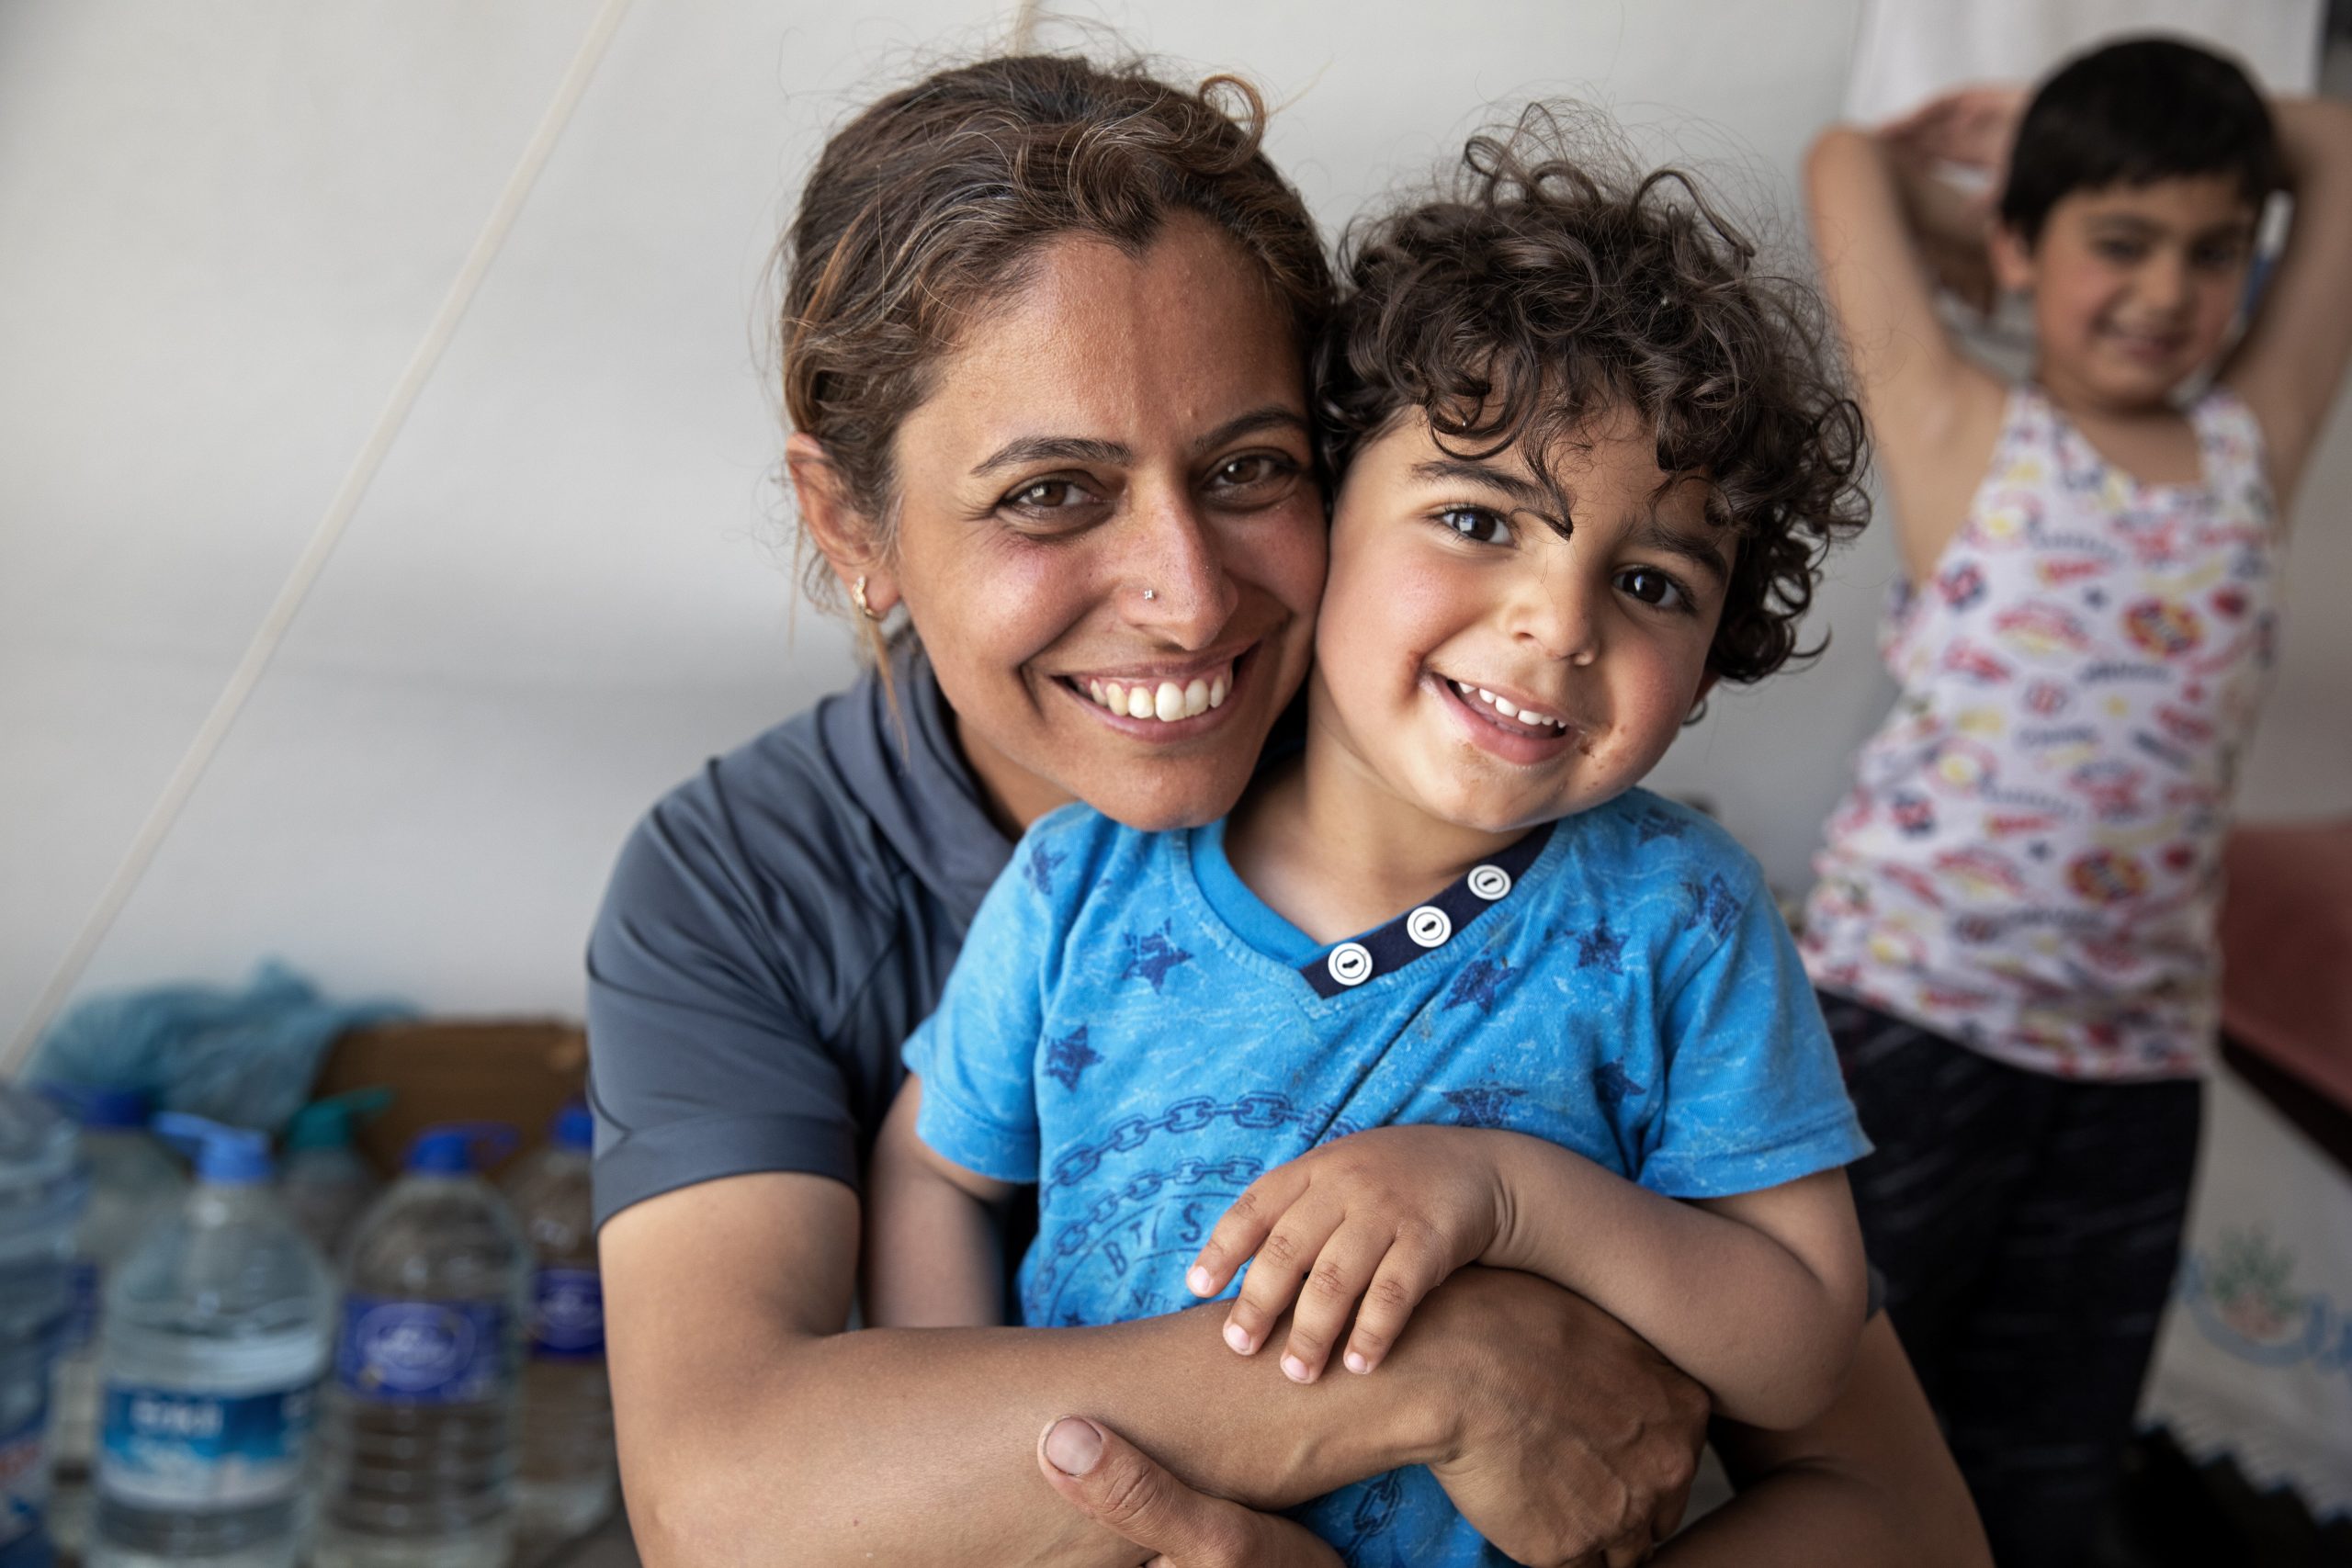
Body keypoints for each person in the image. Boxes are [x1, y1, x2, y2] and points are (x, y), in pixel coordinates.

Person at [589, 51, 1990, 1568]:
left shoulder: (1620, 898)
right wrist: (1443, 1371)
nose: (1187, 601)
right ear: (852, 520)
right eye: (1051, 491)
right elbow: (719, 1505)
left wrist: (1512, 1210)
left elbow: (1891, 1501)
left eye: (1249, 468)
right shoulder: (791, 890)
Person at [866, 118, 1879, 1567]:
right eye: (1478, 517)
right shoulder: (1087, 887)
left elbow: (1797, 1350)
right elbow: (934, 1171)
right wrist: (988, 1467)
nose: (1559, 623)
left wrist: (1505, 1197)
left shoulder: (1682, 918)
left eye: (1651, 580)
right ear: (1324, 512)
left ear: (1713, 660)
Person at [1800, 36, 2352, 1568]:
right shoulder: (1968, 436)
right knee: (1835, 1438)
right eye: (2122, 239)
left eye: (2214, 250)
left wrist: (2180, 128)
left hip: (2130, 1078)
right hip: (1909, 1031)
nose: (2171, 290)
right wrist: (2046, 124)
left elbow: (2347, 161)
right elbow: (1842, 169)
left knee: (2045, 1478)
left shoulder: (2252, 449)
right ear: (2019, 248)